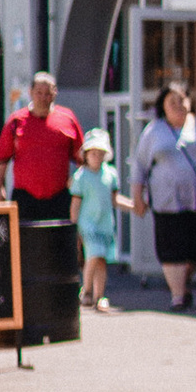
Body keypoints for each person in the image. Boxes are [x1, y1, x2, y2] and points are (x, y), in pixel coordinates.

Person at [133, 77, 196, 311]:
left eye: (181, 100)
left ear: (190, 101)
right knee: (172, 249)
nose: (178, 105)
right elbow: (140, 165)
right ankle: (177, 295)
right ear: (162, 106)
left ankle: (181, 283)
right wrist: (137, 195)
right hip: (167, 200)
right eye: (171, 101)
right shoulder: (153, 131)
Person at [0, 70, 83, 209]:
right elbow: (1, 159)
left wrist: (78, 183)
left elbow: (83, 159)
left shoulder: (68, 119)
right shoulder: (16, 121)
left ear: (55, 93)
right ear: (30, 92)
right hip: (25, 197)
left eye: (48, 93)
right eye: (39, 92)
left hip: (59, 196)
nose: (43, 97)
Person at [68, 129, 127, 311]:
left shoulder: (110, 174)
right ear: (86, 155)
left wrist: (135, 207)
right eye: (93, 153)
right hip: (88, 223)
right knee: (93, 255)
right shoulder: (81, 176)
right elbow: (75, 204)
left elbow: (115, 199)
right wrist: (74, 227)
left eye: (101, 153)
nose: (97, 157)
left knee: (101, 259)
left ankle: (99, 295)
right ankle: (86, 290)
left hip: (105, 223)